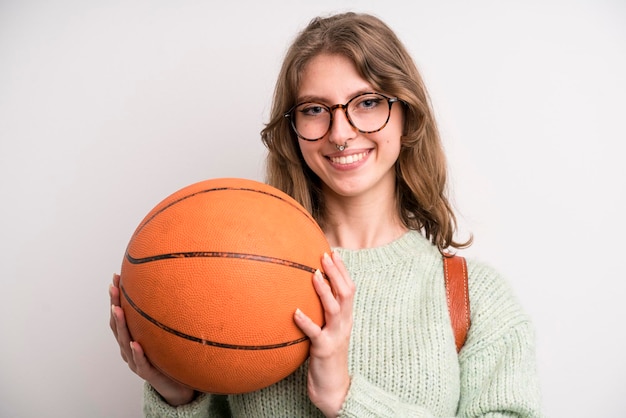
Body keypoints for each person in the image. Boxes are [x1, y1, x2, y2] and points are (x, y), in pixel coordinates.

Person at [110, 12, 543, 417]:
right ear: (292, 129)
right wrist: (178, 395)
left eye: (367, 102)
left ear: (406, 115)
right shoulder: (228, 267)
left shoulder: (476, 298)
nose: (340, 133)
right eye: (315, 109)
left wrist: (345, 396)